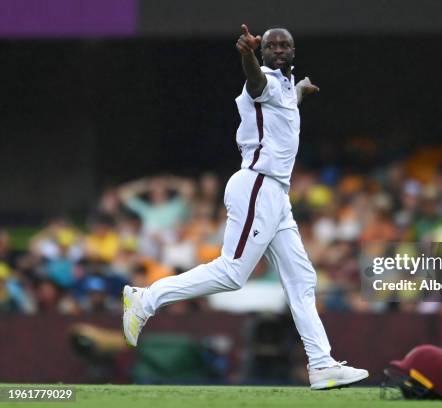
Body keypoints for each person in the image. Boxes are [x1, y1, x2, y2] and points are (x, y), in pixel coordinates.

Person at [122, 24, 368, 389]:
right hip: (257, 185)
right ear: (263, 52)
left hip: (276, 195)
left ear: (294, 52)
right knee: (232, 273)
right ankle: (146, 299)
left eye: (286, 45)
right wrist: (247, 56)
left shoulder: (285, 85)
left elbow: (283, 106)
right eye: (272, 46)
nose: (280, 50)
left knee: (303, 280)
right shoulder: (262, 77)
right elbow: (256, 85)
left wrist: (300, 90)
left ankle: (321, 364)